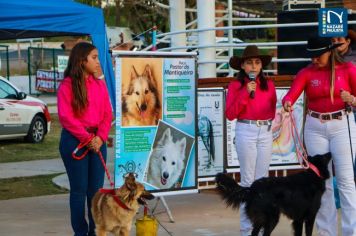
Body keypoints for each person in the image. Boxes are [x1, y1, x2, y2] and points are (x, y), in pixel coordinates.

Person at [283, 36, 356, 236]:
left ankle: (352, 232)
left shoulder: (348, 69)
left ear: (330, 52)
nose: (314, 59)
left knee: (346, 181)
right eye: (311, 55)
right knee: (321, 182)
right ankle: (327, 233)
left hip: (342, 124)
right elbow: (291, 94)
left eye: (318, 55)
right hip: (315, 126)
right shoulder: (306, 72)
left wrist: (352, 99)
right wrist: (287, 101)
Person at [57, 42, 113, 236]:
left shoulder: (100, 84)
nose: (98, 62)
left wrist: (100, 138)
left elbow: (107, 114)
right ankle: (80, 233)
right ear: (82, 61)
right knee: (79, 191)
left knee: (95, 192)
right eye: (94, 58)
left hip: (97, 141)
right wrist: (87, 138)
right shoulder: (67, 86)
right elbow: (66, 117)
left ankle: (94, 232)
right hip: (75, 141)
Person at [225, 45, 277, 236]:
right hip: (245, 130)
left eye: (257, 62)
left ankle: (260, 228)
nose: (254, 66)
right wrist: (246, 92)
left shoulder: (269, 85)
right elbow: (230, 114)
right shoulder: (235, 86)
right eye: (249, 63)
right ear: (242, 67)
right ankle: (246, 231)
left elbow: (272, 109)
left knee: (262, 182)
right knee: (248, 181)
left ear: (262, 65)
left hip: (265, 131)